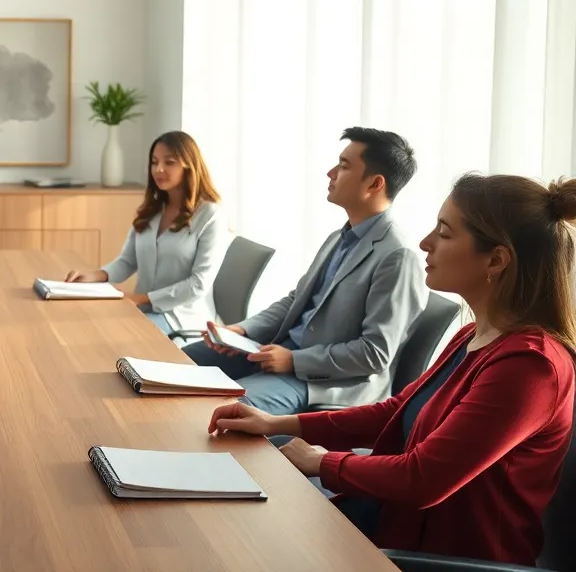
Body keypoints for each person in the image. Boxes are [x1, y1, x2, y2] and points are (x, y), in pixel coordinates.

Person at [209, 174, 576, 566]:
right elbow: (396, 411)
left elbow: (424, 480)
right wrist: (278, 424)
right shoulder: (474, 335)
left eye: (445, 233)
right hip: (395, 528)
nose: (425, 243)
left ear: (496, 260)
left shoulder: (531, 366)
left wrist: (320, 462)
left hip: (440, 559)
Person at [185, 127, 428, 414]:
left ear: (374, 184)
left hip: (325, 383)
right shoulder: (340, 237)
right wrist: (242, 331)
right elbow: (295, 301)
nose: (331, 173)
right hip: (277, 350)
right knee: (177, 365)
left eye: (344, 165)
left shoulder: (397, 256)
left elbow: (374, 354)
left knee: (230, 409)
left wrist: (294, 360)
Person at [65, 131, 230, 336]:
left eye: (169, 162)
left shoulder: (210, 215)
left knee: (109, 334)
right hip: (143, 310)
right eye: (154, 162)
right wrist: (94, 276)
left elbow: (198, 284)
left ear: (189, 165)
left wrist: (142, 298)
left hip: (181, 319)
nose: (158, 169)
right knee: (83, 323)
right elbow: (127, 261)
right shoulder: (152, 209)